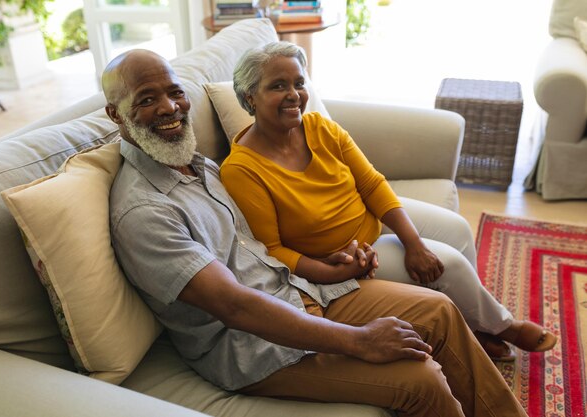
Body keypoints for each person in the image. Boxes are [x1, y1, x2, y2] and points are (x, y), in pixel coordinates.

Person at [103, 48, 528, 417]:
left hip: (297, 291)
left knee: (439, 311)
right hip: (252, 345)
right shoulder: (144, 211)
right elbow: (235, 307)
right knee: (421, 378)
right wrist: (360, 341)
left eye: (175, 92)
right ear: (115, 114)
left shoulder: (197, 165)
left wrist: (326, 266)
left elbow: (260, 247)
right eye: (146, 99)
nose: (170, 107)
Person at [219, 41, 557, 361]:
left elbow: (370, 183)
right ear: (250, 97)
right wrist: (330, 273)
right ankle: (504, 326)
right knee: (449, 264)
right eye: (278, 86)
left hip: (370, 219)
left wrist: (413, 243)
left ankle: (473, 324)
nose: (294, 95)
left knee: (456, 229)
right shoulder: (241, 170)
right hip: (348, 256)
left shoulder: (320, 126)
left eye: (298, 83)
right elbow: (272, 251)